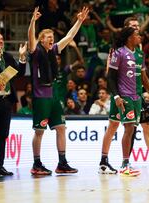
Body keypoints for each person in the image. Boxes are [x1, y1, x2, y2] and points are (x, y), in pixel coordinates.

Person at [98, 17, 149, 175]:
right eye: (134, 28)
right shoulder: (117, 51)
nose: (138, 30)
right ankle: (107, 161)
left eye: (138, 27)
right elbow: (110, 75)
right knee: (116, 127)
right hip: (122, 95)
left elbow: (144, 77)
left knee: (146, 126)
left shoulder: (139, 52)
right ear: (127, 31)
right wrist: (116, 95)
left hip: (137, 96)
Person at [27, 6, 89, 175]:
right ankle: (36, 163)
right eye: (48, 37)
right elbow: (31, 38)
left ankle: (62, 163)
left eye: (52, 37)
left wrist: (79, 21)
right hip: (40, 97)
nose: (51, 39)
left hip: (53, 95)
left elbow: (69, 37)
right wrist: (33, 21)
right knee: (39, 131)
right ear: (41, 40)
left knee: (61, 128)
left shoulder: (53, 50)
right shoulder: (35, 51)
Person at [0, 31, 27, 177]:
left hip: (6, 100)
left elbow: (19, 73)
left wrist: (21, 57)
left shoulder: (7, 56)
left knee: (2, 134)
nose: (1, 41)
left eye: (2, 39)